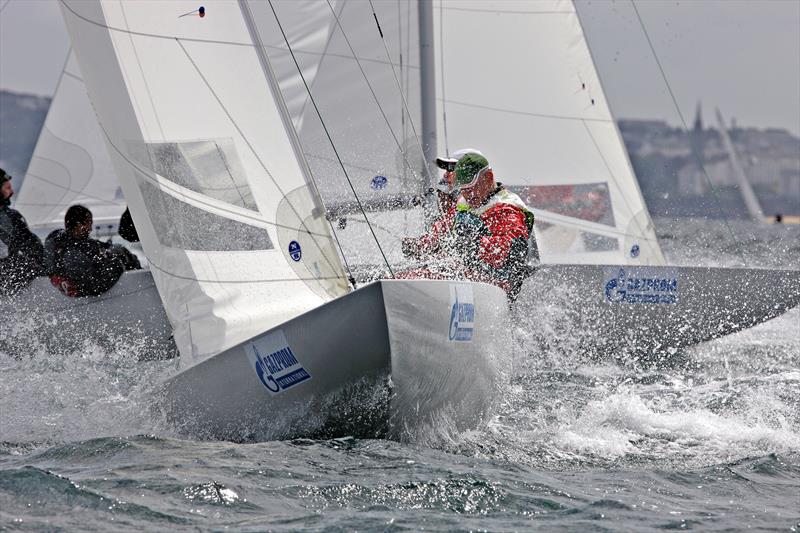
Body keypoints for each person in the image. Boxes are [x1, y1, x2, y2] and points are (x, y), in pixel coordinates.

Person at [450, 153, 537, 299]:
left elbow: (511, 251)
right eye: (463, 189)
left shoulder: (508, 210)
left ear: (488, 178)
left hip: (497, 289)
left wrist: (476, 243)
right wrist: (420, 245)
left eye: (471, 188)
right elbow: (443, 233)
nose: (467, 195)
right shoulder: (465, 205)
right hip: (467, 278)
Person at [402, 148, 485, 260]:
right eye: (446, 169)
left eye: (451, 168)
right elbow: (438, 232)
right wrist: (417, 245)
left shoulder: (491, 205)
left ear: (470, 173)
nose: (445, 175)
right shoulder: (455, 207)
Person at [44, 204, 141, 297]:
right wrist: (118, 264)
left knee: (117, 249)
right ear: (78, 225)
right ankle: (140, 275)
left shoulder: (56, 238)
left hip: (68, 283)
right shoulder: (78, 251)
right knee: (120, 254)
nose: (90, 229)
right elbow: (93, 286)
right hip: (87, 288)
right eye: (89, 224)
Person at [0, 168, 45, 295]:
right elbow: (31, 244)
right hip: (7, 283)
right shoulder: (8, 216)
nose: (12, 192)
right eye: (7, 188)